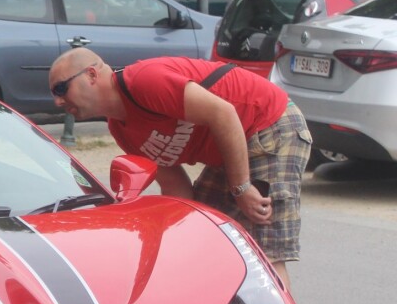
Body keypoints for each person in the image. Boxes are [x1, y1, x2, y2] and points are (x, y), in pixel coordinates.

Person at [48, 49, 312, 290]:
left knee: (265, 250)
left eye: (61, 88)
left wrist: (242, 188)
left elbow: (224, 114)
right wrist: (170, 239)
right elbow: (176, 187)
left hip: (270, 123)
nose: (58, 101)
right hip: (230, 147)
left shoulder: (143, 81)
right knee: (206, 235)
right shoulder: (122, 130)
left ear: (92, 74)